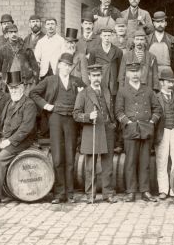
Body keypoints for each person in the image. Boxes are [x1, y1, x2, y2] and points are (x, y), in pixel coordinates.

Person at [30, 53, 84, 203]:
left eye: (69, 65)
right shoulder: (50, 80)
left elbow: (87, 95)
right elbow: (33, 93)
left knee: (70, 156)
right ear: (59, 65)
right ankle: (59, 193)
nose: (66, 68)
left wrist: (81, 97)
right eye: (64, 65)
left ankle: (70, 193)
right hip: (55, 120)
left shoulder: (77, 81)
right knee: (58, 157)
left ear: (71, 67)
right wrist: (46, 105)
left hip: (71, 121)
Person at [0, 71, 39, 207]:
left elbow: (26, 129)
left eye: (16, 87)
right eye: (11, 88)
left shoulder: (29, 104)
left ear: (22, 88)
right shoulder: (9, 103)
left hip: (20, 142)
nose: (14, 90)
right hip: (4, 140)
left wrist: (9, 141)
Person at [116, 63, 162, 202]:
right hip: (130, 131)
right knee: (130, 162)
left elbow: (157, 109)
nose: (135, 74)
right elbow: (118, 111)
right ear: (128, 74)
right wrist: (128, 123)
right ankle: (131, 191)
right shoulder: (122, 91)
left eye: (137, 71)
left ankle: (145, 190)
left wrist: (152, 122)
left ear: (141, 72)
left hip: (146, 131)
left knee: (145, 162)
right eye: (132, 71)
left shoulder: (148, 90)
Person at [73, 64, 118, 203]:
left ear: (101, 76)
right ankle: (90, 194)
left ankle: (108, 193)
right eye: (94, 76)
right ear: (89, 77)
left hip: (107, 130)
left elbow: (111, 110)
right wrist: (88, 116)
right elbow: (75, 114)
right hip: (91, 130)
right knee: (90, 167)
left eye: (98, 75)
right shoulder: (83, 93)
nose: (96, 78)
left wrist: (113, 124)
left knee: (108, 165)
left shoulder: (106, 90)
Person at [153, 67, 174, 200]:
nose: (171, 85)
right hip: (163, 132)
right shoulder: (155, 97)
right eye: (168, 82)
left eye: (172, 82)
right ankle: (163, 190)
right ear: (161, 83)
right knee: (162, 161)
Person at [0, 23, 39, 89]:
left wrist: (34, 82)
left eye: (15, 32)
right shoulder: (1, 51)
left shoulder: (26, 49)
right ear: (7, 34)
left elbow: (35, 67)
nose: (13, 34)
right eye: (11, 32)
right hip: (8, 83)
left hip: (25, 83)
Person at [88, 27, 124, 101]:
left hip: (112, 84)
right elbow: (90, 69)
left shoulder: (118, 51)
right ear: (101, 36)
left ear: (112, 36)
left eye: (109, 35)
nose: (107, 38)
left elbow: (121, 70)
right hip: (99, 83)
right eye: (105, 35)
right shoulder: (94, 51)